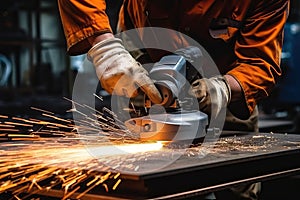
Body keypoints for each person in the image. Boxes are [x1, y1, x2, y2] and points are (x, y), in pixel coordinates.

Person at [58, 0, 290, 199]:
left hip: (226, 91)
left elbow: (260, 64)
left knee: (234, 183)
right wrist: (104, 45)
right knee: (139, 178)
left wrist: (223, 89)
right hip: (143, 63)